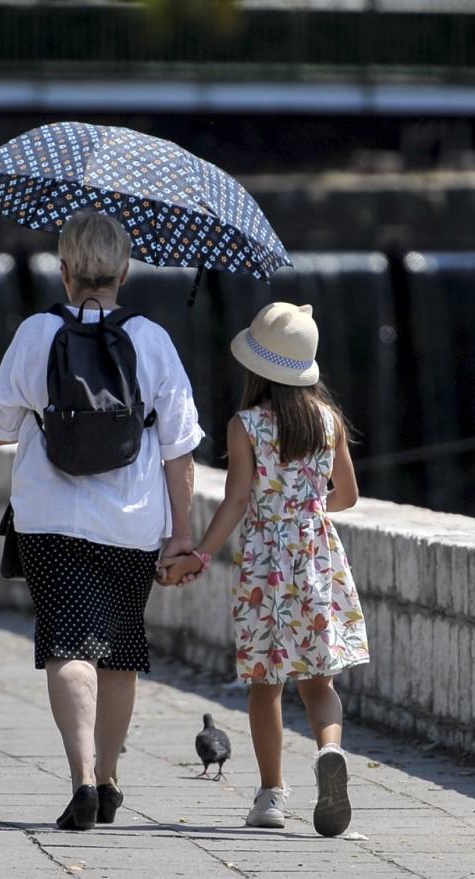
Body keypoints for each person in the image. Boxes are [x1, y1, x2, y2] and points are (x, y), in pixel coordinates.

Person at [0, 210, 204, 831]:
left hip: (49, 520)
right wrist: (182, 535)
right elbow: (179, 447)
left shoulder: (35, 333)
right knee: (119, 652)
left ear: (64, 269)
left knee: (67, 645)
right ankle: (108, 779)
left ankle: (80, 777)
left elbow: (1, 428)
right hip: (133, 524)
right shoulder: (153, 340)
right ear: (124, 272)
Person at [159, 302, 368, 837]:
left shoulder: (245, 425)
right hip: (317, 559)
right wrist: (310, 504)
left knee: (265, 683)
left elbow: (234, 502)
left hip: (264, 567)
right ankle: (329, 750)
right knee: (319, 681)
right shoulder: (329, 421)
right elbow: (346, 496)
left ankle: (272, 795)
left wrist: (199, 554)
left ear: (257, 367)